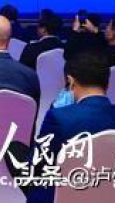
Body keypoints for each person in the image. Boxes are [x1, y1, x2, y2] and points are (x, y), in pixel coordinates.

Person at [7, 51, 115, 203]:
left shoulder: (58, 117)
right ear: (108, 83)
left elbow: (34, 167)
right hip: (107, 192)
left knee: (14, 149)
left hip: (61, 196)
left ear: (70, 82)